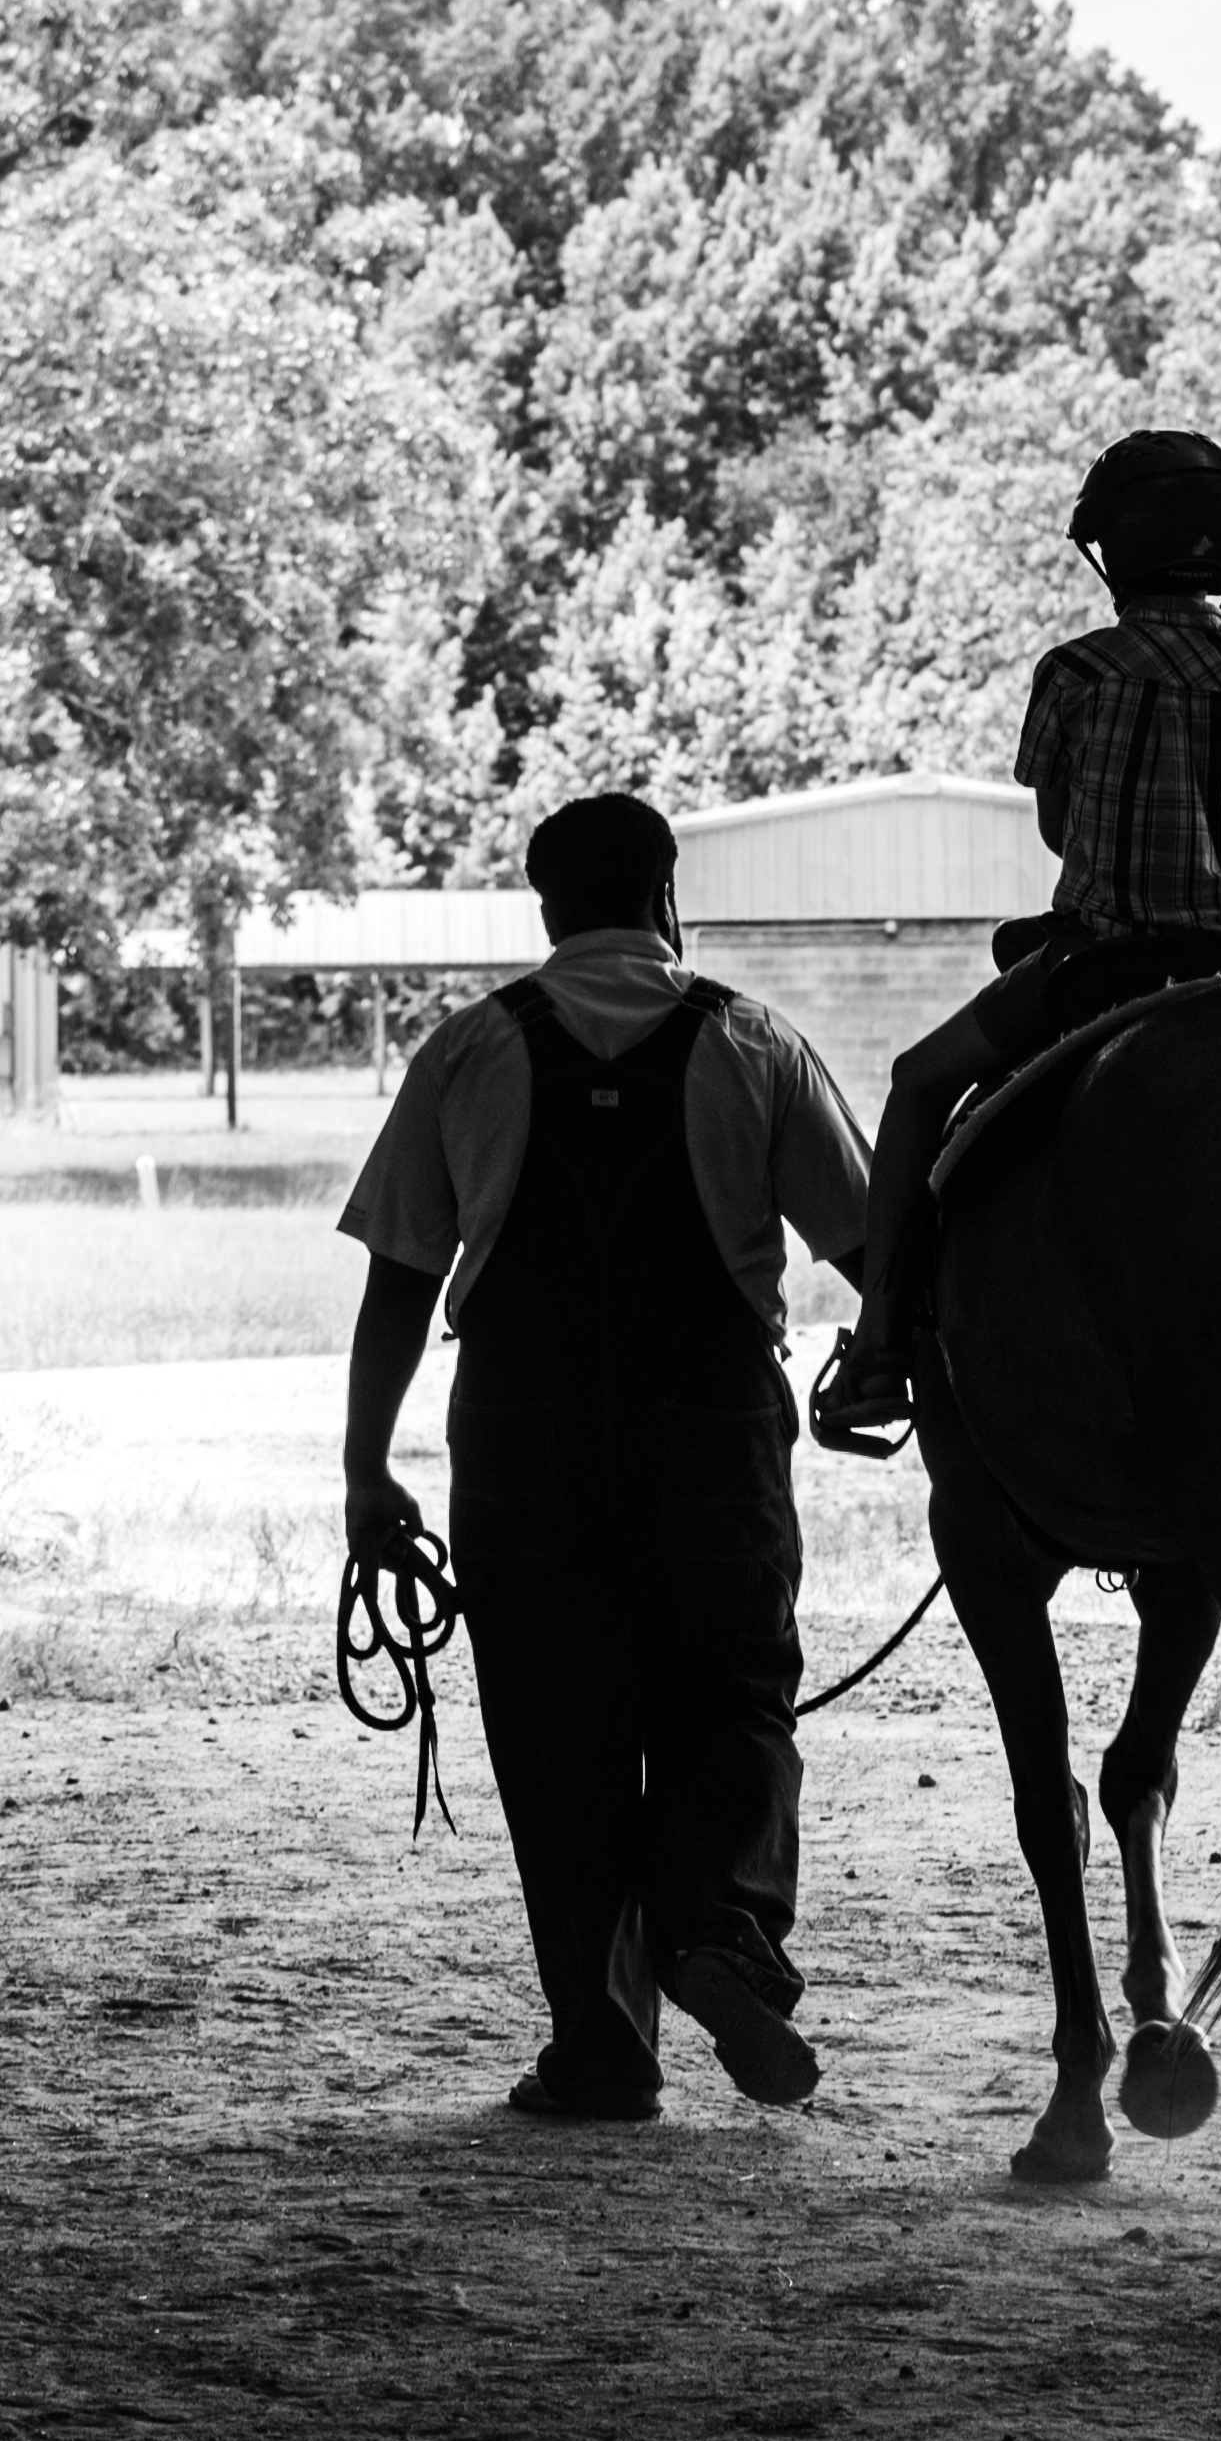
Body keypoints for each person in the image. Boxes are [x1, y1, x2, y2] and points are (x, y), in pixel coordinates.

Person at [340, 793, 871, 2122]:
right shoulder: (755, 1043)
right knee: (734, 1694)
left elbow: (402, 1280)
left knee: (555, 1723)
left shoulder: (466, 1052)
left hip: (523, 1436)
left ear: (544, 908)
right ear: (667, 894)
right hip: (712, 1431)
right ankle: (722, 1934)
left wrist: (365, 1469)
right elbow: (875, 1255)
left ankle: (601, 2045)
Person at [809, 427, 1221, 1452]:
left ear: (1115, 553)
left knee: (919, 1083)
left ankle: (877, 1345)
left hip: (1100, 965)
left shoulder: (1076, 672)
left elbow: (1058, 827)